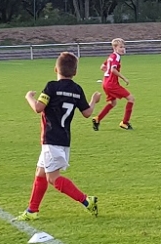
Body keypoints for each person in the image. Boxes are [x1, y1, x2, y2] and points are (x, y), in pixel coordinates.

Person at [15, 52, 102, 221]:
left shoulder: (51, 87)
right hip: (63, 139)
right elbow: (87, 113)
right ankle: (32, 210)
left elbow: (38, 108)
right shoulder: (77, 90)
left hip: (51, 139)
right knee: (40, 173)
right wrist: (94, 100)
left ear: (55, 69)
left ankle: (86, 201)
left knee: (53, 178)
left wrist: (29, 97)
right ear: (75, 72)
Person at [92, 38, 134, 131]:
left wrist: (109, 73)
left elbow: (102, 67)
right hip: (112, 84)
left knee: (112, 103)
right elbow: (113, 69)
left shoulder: (111, 56)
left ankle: (97, 119)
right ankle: (125, 122)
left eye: (123, 47)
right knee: (131, 98)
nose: (123, 49)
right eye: (121, 47)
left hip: (106, 83)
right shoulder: (116, 57)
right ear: (115, 48)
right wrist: (124, 78)